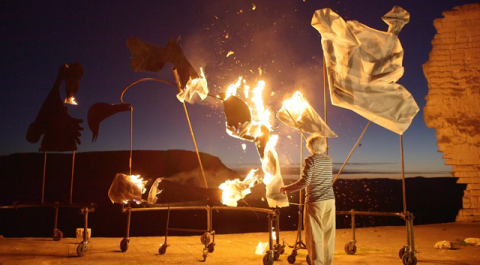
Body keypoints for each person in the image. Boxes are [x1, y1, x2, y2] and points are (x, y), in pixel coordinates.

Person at [280, 133, 335, 265]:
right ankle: (328, 263)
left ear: (310, 147)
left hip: (315, 201)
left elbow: (305, 182)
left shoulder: (310, 160)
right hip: (330, 200)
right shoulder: (328, 159)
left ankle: (318, 263)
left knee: (315, 235)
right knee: (328, 233)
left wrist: (288, 188)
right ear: (324, 146)